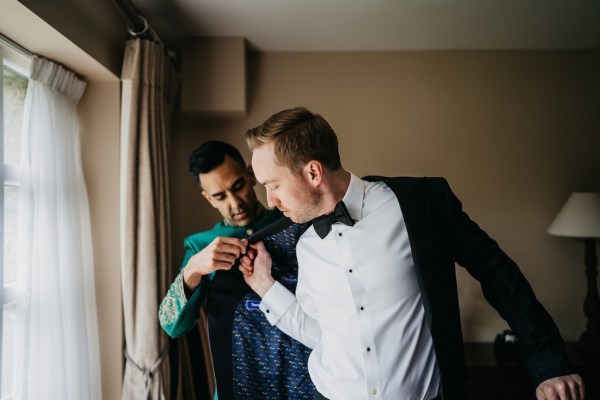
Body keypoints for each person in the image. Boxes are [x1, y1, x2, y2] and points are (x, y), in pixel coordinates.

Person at [239, 107, 585, 400]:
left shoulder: (421, 205)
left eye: (273, 185)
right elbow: (324, 334)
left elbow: (498, 273)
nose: (270, 201)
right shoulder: (305, 247)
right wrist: (265, 286)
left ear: (313, 172)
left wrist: (550, 364)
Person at [158, 140, 315, 400]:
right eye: (220, 196)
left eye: (238, 186)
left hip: (303, 379)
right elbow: (171, 325)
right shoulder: (201, 246)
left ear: (251, 175)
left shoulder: (294, 220)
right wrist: (193, 269)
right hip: (238, 386)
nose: (234, 202)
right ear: (208, 198)